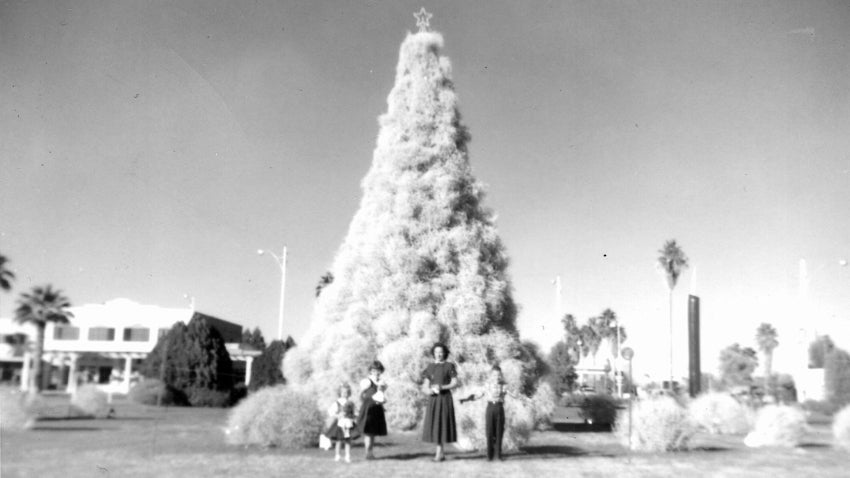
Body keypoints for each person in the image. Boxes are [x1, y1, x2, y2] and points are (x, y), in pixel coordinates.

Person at [421, 342, 460, 461]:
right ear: (433, 353)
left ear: (445, 353)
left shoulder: (449, 366)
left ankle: (439, 453)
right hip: (433, 399)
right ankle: (440, 453)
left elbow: (454, 383)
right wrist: (428, 391)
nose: (438, 354)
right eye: (436, 352)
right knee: (435, 424)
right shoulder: (430, 367)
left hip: (444, 398)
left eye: (441, 352)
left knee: (442, 424)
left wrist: (441, 387)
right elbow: (425, 386)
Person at [459, 365, 507, 461]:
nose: (496, 377)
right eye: (494, 375)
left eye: (498, 375)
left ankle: (498, 455)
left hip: (499, 408)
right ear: (491, 376)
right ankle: (489, 455)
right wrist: (467, 399)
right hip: (490, 408)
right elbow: (479, 395)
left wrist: (523, 399)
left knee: (499, 431)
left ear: (501, 375)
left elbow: (511, 394)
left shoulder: (504, 385)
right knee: (489, 432)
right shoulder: (487, 385)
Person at [357, 360, 388, 460]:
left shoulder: (381, 383)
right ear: (370, 371)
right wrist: (364, 403)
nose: (376, 372)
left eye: (378, 370)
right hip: (369, 408)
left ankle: (370, 453)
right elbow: (361, 395)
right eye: (374, 370)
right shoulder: (367, 382)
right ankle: (368, 453)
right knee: (368, 432)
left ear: (381, 371)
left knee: (373, 432)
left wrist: (382, 404)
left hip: (377, 408)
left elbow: (381, 396)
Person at [325, 383, 359, 463]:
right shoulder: (337, 402)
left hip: (348, 424)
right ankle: (337, 455)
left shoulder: (351, 403)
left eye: (347, 392)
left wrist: (354, 416)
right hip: (340, 424)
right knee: (339, 440)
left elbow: (356, 412)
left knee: (348, 440)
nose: (345, 394)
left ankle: (348, 456)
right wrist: (337, 415)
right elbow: (331, 412)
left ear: (349, 393)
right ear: (340, 393)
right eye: (343, 392)